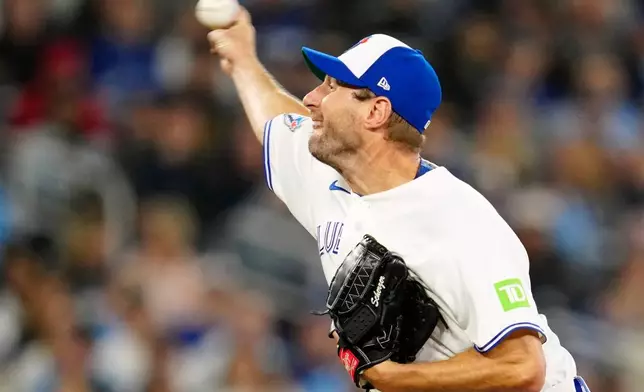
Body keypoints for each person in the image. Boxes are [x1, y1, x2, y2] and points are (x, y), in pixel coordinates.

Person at [207, 8, 591, 392]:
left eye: (331, 87)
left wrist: (396, 379)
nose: (311, 98)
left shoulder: (458, 220)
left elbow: (523, 368)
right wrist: (242, 60)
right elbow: (280, 120)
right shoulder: (329, 178)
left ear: (376, 111)